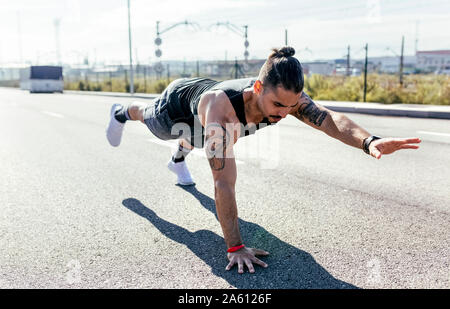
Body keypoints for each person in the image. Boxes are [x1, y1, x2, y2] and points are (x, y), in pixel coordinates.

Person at [106, 46, 421, 274]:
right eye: (278, 104)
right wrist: (234, 246)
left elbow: (327, 119)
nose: (285, 113)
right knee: (155, 122)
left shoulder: (284, 98)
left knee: (207, 140)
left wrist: (370, 141)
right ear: (257, 87)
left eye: (291, 105)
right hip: (175, 107)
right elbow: (223, 183)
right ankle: (120, 112)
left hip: (205, 119)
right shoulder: (222, 112)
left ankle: (178, 160)